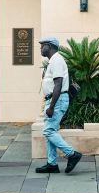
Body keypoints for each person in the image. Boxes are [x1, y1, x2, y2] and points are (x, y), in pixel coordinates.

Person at [35, 36, 83, 174]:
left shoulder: (56, 60)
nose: (40, 48)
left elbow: (58, 84)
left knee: (48, 131)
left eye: (42, 45)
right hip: (54, 100)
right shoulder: (53, 61)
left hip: (56, 101)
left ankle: (72, 154)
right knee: (51, 131)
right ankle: (52, 164)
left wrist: (51, 106)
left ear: (49, 46)